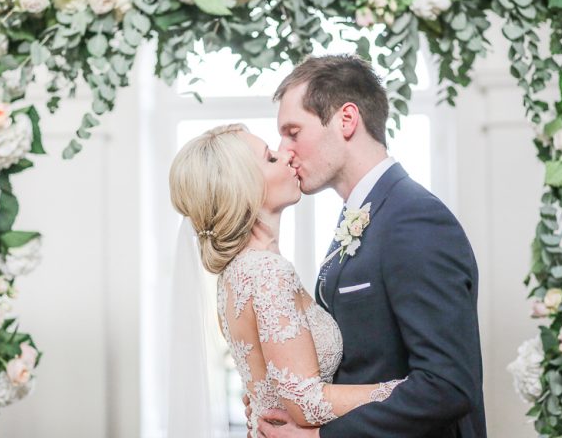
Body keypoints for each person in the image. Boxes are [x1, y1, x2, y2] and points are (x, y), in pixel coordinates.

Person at [252, 54, 486, 437]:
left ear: (346, 120)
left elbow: (447, 386)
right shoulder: (360, 216)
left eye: (293, 132)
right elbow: (359, 361)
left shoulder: (415, 219)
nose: (285, 150)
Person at [169, 123, 405, 437]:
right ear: (245, 188)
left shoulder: (238, 273)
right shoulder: (267, 273)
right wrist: (406, 390)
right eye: (270, 158)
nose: (285, 157)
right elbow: (307, 402)